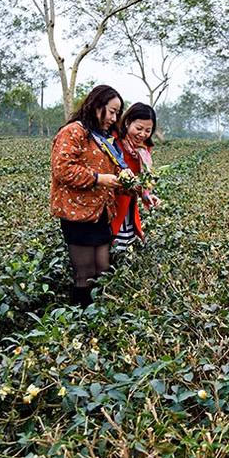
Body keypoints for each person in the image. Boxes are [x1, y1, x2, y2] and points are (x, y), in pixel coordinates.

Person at [50, 84, 132, 309]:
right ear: (97, 106)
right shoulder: (74, 131)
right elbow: (63, 169)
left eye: (117, 113)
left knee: (102, 268)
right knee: (84, 273)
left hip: (101, 212)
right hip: (78, 212)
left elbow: (111, 169)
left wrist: (126, 181)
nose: (115, 118)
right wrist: (99, 179)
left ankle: (96, 318)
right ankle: (79, 323)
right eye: (113, 111)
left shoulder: (103, 137)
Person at [111, 103, 161, 251]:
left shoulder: (144, 149)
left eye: (148, 130)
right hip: (111, 204)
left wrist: (147, 195)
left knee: (125, 249)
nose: (142, 134)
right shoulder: (113, 142)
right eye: (138, 128)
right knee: (110, 248)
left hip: (129, 204)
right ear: (127, 123)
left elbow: (143, 177)